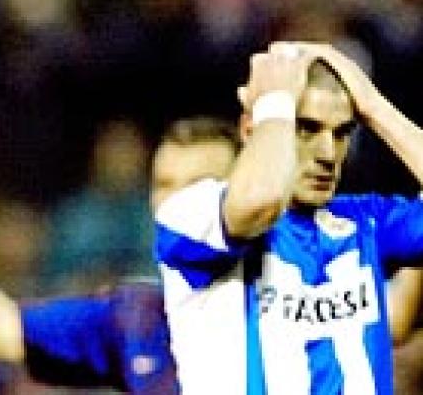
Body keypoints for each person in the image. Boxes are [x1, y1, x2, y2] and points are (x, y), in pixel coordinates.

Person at [155, 41, 423, 394]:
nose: (328, 153)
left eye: (341, 133)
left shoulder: (365, 223)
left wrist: (374, 106)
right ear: (251, 129)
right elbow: (260, 200)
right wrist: (275, 104)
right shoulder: (190, 215)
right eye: (306, 128)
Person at [0, 116, 239, 394]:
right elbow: (4, 327)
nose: (177, 201)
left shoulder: (268, 295)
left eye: (199, 184)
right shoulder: (137, 317)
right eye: (164, 185)